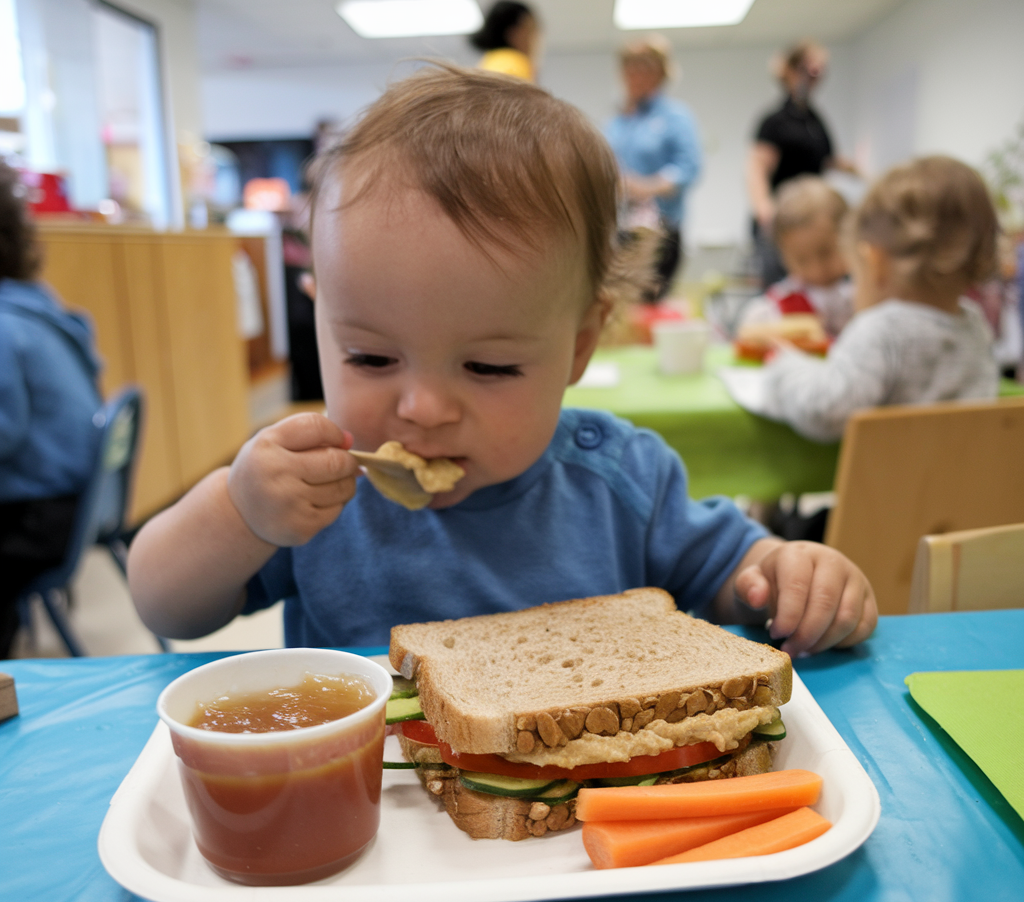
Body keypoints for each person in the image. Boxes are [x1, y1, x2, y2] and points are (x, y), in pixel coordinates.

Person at [127, 66, 876, 660]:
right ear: (319, 318)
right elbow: (165, 606)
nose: (421, 407)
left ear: (580, 344)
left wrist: (789, 576)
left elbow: (733, 583)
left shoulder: (621, 481)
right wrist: (240, 513)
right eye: (370, 356)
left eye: (487, 367)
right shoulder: (315, 496)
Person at [761, 156, 1000, 444]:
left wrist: (787, 368)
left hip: (891, 488)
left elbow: (823, 411)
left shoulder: (881, 331)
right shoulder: (976, 327)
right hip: (963, 486)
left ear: (875, 262)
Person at [0, 162, 103, 657]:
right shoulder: (35, 302)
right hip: (78, 502)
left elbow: (3, 433)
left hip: (39, 517)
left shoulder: (2, 326)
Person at [747, 40, 857, 289]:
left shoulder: (815, 119)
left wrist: (859, 171)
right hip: (786, 221)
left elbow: (826, 159)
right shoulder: (775, 121)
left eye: (821, 71)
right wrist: (765, 210)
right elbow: (756, 168)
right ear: (790, 70)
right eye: (811, 69)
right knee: (784, 292)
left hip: (815, 217)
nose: (816, 76)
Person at [605, 38, 702, 303]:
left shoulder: (676, 117)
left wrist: (645, 186)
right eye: (630, 67)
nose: (635, 73)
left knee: (648, 303)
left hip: (659, 232)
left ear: (661, 72)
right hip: (619, 228)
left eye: (644, 66)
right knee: (616, 306)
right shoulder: (616, 123)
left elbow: (688, 168)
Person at [739, 175, 853, 338]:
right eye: (802, 260)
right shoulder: (772, 309)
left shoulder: (861, 297)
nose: (817, 270)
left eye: (825, 253)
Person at [469, 0, 540, 82]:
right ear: (514, 33)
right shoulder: (513, 63)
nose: (535, 39)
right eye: (531, 31)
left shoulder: (491, 60)